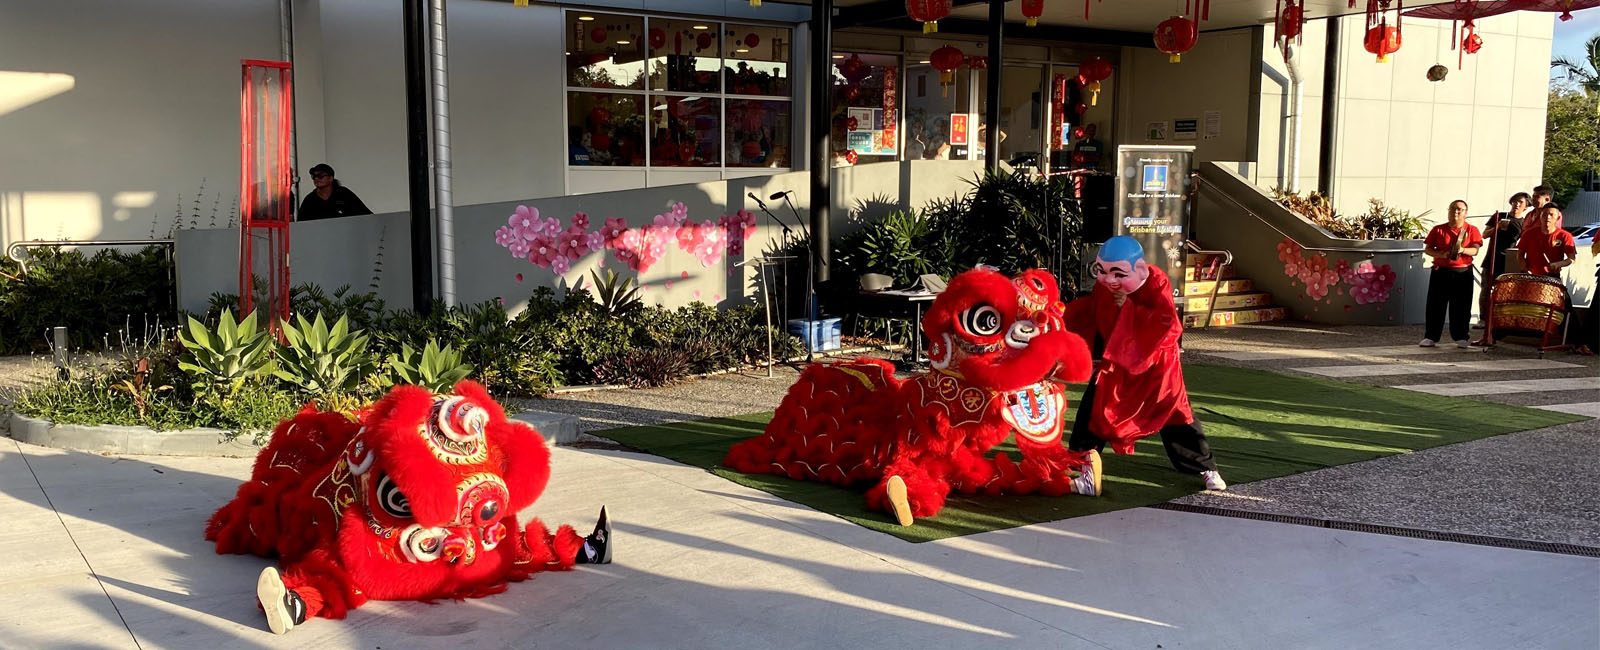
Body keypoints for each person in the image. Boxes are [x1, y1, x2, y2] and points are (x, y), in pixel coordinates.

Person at [1060, 236, 1226, 496]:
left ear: (1137, 269)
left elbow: (1167, 325)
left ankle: (1207, 468)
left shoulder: (1156, 281)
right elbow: (1092, 313)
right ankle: (1083, 468)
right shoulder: (1105, 287)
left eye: (1117, 273)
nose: (1109, 279)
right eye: (1102, 271)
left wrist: (1129, 306)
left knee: (1176, 414)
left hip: (1156, 366)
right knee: (1094, 410)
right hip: (1118, 364)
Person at [1421, 200, 1484, 348]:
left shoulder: (1472, 230)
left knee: (1462, 305)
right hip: (1441, 270)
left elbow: (1475, 249)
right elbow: (1428, 249)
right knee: (1435, 305)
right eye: (1453, 209)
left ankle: (1461, 336)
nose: (1456, 212)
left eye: (1460, 210)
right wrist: (1442, 254)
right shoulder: (1438, 229)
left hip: (1463, 271)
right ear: (1448, 211)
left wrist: (1462, 250)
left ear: (1465, 213)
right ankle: (1431, 336)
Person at [1475, 192, 1528, 328]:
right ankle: (1483, 318)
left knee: (1507, 290)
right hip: (1492, 258)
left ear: (1526, 206)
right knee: (1486, 289)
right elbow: (1484, 234)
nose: (1516, 205)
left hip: (1511, 259)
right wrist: (1497, 227)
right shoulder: (1499, 216)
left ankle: (1503, 319)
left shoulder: (1525, 222)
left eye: (1520, 202)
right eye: (1515, 201)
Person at [1517, 205, 1576, 279]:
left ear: (1557, 218)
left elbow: (1572, 259)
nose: (1548, 217)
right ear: (1540, 217)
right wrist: (1524, 267)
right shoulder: (1529, 233)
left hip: (1552, 276)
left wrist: (1558, 264)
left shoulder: (1565, 236)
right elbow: (1520, 254)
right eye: (1544, 214)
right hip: (1529, 274)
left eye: (1551, 215)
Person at [297, 164, 372, 221]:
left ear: (331, 178)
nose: (316, 179)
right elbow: (301, 224)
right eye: (313, 176)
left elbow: (366, 215)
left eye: (320, 176)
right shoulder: (309, 200)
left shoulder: (344, 194)